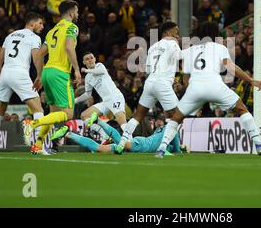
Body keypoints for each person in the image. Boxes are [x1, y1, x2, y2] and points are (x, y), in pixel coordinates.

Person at [155, 22, 261, 158]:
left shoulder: (190, 50)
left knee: (176, 117)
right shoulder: (219, 47)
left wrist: (195, 98)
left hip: (195, 88)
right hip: (215, 85)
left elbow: (186, 79)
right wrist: (251, 80)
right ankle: (259, 144)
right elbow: (232, 68)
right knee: (241, 109)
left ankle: (161, 148)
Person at [115, 22, 182, 154]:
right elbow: (179, 57)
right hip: (162, 83)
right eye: (176, 32)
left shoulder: (153, 47)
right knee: (177, 117)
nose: (178, 36)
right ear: (168, 33)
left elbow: (149, 68)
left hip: (150, 82)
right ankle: (163, 148)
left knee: (138, 116)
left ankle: (121, 144)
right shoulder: (172, 43)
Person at [0, 12, 45, 154]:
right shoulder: (34, 37)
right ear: (32, 23)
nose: (42, 26)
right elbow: (37, 59)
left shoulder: (10, 35)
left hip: (5, 74)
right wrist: (39, 75)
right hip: (20, 74)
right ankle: (38, 146)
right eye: (40, 23)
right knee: (38, 110)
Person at [28, 0, 82, 154]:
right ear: (71, 13)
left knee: (53, 115)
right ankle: (34, 123)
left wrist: (39, 74)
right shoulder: (72, 27)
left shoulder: (52, 31)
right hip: (60, 73)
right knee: (68, 114)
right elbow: (68, 47)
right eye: (76, 11)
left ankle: (38, 144)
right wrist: (77, 70)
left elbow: (39, 54)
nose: (77, 14)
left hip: (47, 72)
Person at [51, 116, 184, 154]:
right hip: (140, 146)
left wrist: (180, 148)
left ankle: (68, 134)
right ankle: (97, 122)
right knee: (117, 141)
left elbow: (166, 147)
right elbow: (175, 149)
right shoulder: (172, 130)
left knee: (100, 149)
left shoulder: (161, 129)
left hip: (140, 143)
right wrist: (180, 150)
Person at [74, 52, 127, 129]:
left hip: (115, 97)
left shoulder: (99, 66)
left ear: (95, 59)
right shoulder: (88, 78)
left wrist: (85, 70)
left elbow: (100, 71)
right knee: (84, 115)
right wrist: (74, 101)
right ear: (84, 62)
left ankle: (130, 139)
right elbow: (87, 95)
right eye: (87, 59)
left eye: (91, 58)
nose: (90, 60)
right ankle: (103, 133)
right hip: (105, 101)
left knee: (120, 118)